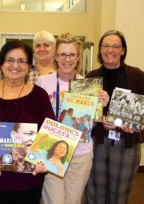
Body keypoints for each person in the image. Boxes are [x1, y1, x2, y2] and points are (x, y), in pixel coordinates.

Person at [0, 40, 55, 204]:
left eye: (22, 61)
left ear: (29, 66)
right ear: (1, 64)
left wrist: (43, 161)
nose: (15, 65)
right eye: (9, 60)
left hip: (29, 179)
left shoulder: (39, 95)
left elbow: (50, 132)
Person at [36, 32, 109, 204]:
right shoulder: (42, 82)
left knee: (73, 201)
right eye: (63, 54)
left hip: (80, 153)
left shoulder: (88, 86)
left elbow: (93, 121)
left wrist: (101, 105)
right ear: (56, 56)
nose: (67, 59)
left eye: (72, 55)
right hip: (51, 151)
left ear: (78, 57)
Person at [85, 30, 144, 204]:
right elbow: (84, 110)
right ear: (100, 50)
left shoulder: (137, 75)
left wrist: (134, 119)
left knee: (119, 192)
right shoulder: (91, 77)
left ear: (123, 50)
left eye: (116, 46)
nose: (110, 50)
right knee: (95, 190)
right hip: (98, 141)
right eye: (106, 46)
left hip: (127, 142)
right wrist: (98, 118)